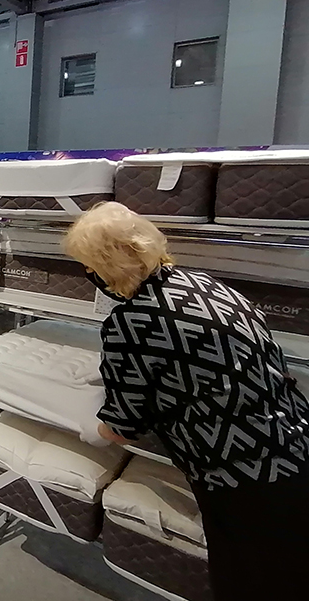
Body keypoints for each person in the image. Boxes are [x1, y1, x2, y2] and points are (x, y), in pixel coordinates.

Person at [63, 202, 309, 601]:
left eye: (89, 265)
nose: (88, 273)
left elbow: (124, 425)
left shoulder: (132, 321)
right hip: (294, 439)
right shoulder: (205, 285)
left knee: (252, 580)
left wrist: (92, 427)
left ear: (104, 266)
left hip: (245, 472)